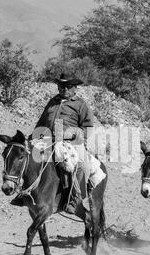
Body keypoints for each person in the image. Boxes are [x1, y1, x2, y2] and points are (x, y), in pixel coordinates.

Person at [12, 73, 95, 214]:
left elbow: (88, 128)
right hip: (47, 139)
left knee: (81, 165)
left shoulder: (80, 104)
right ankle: (25, 194)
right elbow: (41, 122)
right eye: (61, 86)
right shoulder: (53, 102)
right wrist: (32, 138)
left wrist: (72, 134)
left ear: (75, 88)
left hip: (71, 142)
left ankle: (75, 199)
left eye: (68, 86)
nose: (64, 89)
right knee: (27, 158)